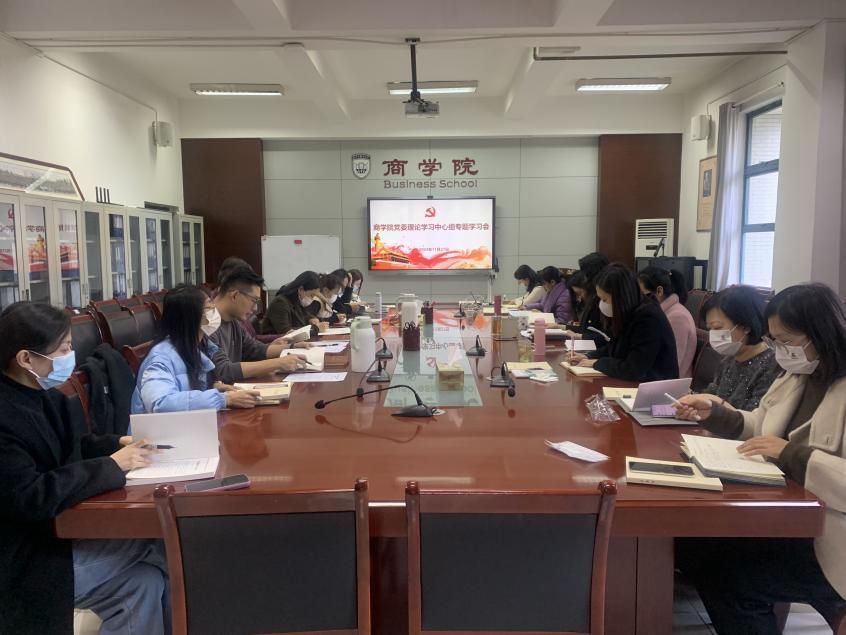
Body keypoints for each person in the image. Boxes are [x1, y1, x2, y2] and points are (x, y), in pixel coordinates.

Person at [674, 283, 846, 633]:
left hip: (829, 536)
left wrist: (791, 454)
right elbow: (762, 426)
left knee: (731, 578)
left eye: (787, 340)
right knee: (693, 544)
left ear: (820, 333)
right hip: (788, 514)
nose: (779, 350)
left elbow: (782, 447)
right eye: (774, 340)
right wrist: (715, 413)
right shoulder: (798, 375)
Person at [0, 302, 169, 634]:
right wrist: (111, 466)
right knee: (160, 539)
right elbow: (30, 495)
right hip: (25, 558)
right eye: (63, 349)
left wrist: (118, 444)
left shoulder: (43, 395)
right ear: (25, 359)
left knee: (142, 583)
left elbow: (75, 446)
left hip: (60, 533)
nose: (71, 356)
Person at [131, 285, 261, 413]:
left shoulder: (198, 346)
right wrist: (223, 399)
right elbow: (160, 403)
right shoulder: (161, 358)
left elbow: (185, 388)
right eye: (209, 308)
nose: (215, 311)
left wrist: (214, 388)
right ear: (190, 316)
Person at [569, 263, 678, 381]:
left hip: (655, 385)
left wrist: (597, 363)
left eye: (604, 299)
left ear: (620, 297)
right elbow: (614, 347)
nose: (601, 304)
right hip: (635, 382)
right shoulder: (628, 311)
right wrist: (588, 356)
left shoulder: (648, 318)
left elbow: (634, 368)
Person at [679, 286, 779, 413]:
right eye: (709, 329)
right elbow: (712, 392)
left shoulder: (772, 365)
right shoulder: (729, 360)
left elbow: (755, 417)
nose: (712, 334)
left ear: (745, 326)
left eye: (717, 327)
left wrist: (712, 402)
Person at [211, 269, 307, 385]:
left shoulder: (233, 321)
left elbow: (254, 349)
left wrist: (293, 347)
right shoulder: (207, 324)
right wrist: (278, 363)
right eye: (254, 300)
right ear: (235, 295)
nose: (255, 308)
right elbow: (224, 370)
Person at [637, 267, 697, 378]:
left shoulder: (677, 317)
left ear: (659, 291)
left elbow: (672, 363)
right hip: (654, 377)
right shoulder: (660, 313)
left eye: (642, 294)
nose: (638, 299)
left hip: (670, 383)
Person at [262, 270, 327, 336]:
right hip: (272, 341)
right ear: (301, 289)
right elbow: (286, 332)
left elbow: (304, 315)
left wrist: (311, 318)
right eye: (311, 295)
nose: (312, 299)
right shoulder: (280, 303)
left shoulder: (296, 301)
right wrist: (315, 329)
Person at [552, 270, 606, 344]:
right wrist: (559, 327)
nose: (579, 299)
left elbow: (603, 336)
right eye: (576, 295)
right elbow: (584, 328)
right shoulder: (584, 304)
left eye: (580, 293)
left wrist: (578, 336)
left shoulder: (598, 306)